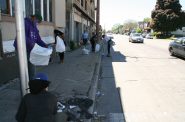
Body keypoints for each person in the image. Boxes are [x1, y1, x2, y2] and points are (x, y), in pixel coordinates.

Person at [13, 14, 48, 80]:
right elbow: (22, 35)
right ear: (34, 17)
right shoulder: (25, 23)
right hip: (21, 50)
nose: (37, 23)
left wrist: (44, 45)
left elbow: (38, 39)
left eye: (38, 22)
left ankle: (31, 85)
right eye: (37, 21)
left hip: (30, 50)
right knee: (23, 70)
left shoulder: (35, 28)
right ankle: (24, 86)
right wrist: (31, 43)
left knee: (32, 70)